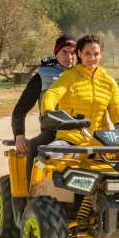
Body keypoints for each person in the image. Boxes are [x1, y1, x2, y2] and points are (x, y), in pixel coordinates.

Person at [40, 34, 119, 146]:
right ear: (79, 53)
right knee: (51, 154)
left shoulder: (109, 82)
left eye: (96, 54)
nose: (92, 58)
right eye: (87, 53)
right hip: (70, 139)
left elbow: (116, 112)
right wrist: (48, 110)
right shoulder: (69, 76)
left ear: (101, 54)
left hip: (100, 140)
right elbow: (53, 93)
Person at [11, 34, 76, 182]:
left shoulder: (84, 73)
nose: (69, 57)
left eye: (72, 53)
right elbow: (20, 109)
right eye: (64, 52)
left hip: (85, 130)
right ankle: (31, 196)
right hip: (53, 131)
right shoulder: (44, 75)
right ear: (56, 53)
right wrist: (19, 136)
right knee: (35, 145)